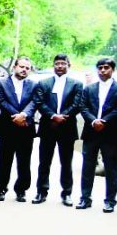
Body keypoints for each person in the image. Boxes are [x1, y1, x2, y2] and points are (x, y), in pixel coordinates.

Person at [77, 58, 117, 212]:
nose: (103, 70)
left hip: (110, 134)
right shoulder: (89, 89)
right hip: (91, 133)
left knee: (111, 169)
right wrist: (94, 121)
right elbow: (82, 106)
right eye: (100, 68)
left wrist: (104, 121)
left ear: (113, 69)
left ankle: (110, 201)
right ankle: (85, 199)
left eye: (106, 67)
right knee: (88, 168)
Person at [32, 54, 82, 205]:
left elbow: (77, 104)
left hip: (67, 128)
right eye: (57, 63)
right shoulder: (44, 83)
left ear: (69, 65)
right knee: (44, 162)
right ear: (53, 65)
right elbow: (39, 102)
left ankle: (66, 193)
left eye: (63, 63)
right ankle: (41, 191)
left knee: (66, 162)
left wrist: (63, 116)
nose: (60, 66)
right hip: (48, 126)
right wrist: (53, 116)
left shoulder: (76, 84)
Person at [0, 56, 37, 202]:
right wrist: (16, 115)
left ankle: (21, 190)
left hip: (26, 127)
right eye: (21, 66)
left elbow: (34, 102)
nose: (24, 70)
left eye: (27, 68)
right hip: (7, 127)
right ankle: (0, 189)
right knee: (4, 160)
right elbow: (1, 101)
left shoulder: (33, 85)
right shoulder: (1, 84)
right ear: (14, 67)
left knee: (24, 161)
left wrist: (24, 115)